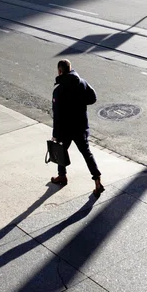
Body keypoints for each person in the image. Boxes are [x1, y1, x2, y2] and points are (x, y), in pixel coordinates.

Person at [50, 59, 105, 194]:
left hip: (65, 129)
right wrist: (80, 103)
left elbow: (57, 115)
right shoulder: (81, 83)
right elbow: (93, 98)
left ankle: (62, 176)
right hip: (80, 126)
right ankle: (97, 180)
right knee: (87, 154)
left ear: (60, 71)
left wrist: (55, 134)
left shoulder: (59, 90)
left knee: (61, 150)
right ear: (70, 68)